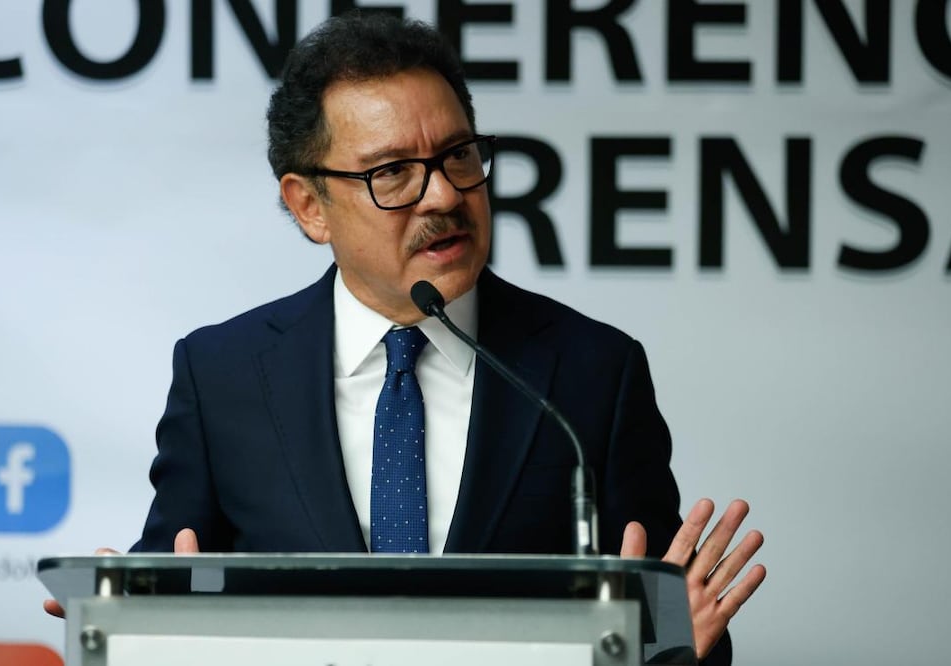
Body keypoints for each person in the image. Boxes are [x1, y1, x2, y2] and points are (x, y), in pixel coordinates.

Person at [45, 12, 765, 663]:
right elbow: (169, 586)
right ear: (309, 206)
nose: (446, 195)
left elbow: (672, 626)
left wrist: (676, 651)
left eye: (459, 155)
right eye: (393, 172)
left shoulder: (592, 372)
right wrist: (123, 614)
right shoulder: (224, 373)